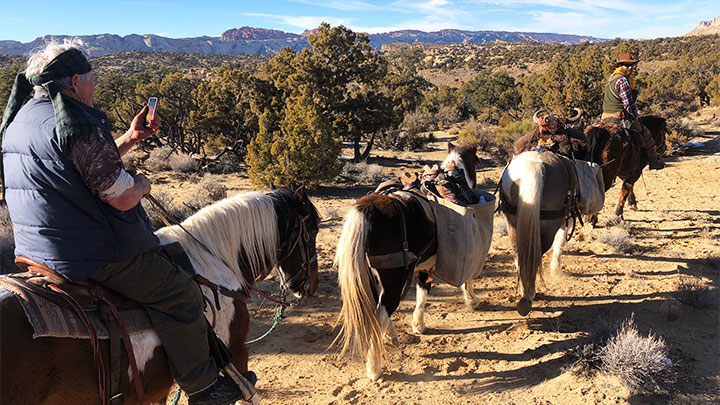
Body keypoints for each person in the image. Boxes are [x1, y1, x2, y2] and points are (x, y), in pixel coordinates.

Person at [0, 40, 243, 405]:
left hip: (38, 251)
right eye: (92, 79)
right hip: (93, 256)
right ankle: (204, 387)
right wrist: (142, 184)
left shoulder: (22, 118)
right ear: (76, 79)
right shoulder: (77, 122)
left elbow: (73, 166)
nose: (95, 86)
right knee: (180, 293)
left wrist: (129, 139)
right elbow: (122, 194)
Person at [601, 52, 664, 170]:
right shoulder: (623, 81)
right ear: (620, 66)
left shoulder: (611, 79)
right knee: (646, 134)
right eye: (626, 65)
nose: (629, 68)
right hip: (619, 117)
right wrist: (635, 116)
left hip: (605, 116)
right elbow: (628, 104)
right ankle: (654, 161)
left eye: (631, 65)